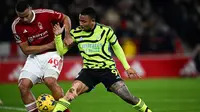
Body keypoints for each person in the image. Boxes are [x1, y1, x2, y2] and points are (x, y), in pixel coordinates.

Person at [52, 7, 152, 112]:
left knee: (127, 97)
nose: (81, 24)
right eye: (80, 21)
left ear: (93, 21)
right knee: (70, 93)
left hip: (107, 69)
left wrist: (127, 67)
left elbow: (117, 47)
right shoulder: (76, 33)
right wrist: (58, 36)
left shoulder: (106, 31)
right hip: (88, 71)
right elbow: (61, 51)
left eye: (84, 21)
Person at [11, 1, 72, 112]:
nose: (24, 19)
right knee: (23, 86)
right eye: (21, 17)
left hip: (53, 53)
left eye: (26, 16)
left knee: (50, 81)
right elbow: (25, 50)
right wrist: (48, 45)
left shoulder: (45, 14)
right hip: (34, 57)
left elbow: (65, 18)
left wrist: (67, 35)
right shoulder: (16, 25)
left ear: (30, 9)